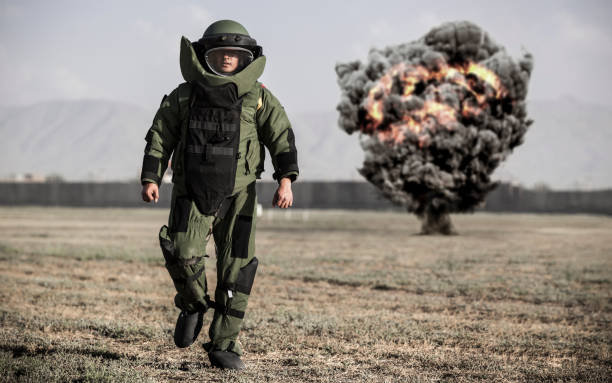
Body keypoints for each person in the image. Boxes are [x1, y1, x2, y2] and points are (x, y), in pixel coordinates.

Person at [139, 19, 298, 370]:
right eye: (219, 52)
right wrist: (151, 176)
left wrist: (285, 179)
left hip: (239, 195)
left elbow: (281, 135)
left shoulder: (258, 96)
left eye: (233, 54)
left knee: (236, 271)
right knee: (181, 253)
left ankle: (224, 344)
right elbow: (160, 136)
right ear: (204, 54)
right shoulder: (184, 94)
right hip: (189, 190)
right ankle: (193, 304)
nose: (227, 59)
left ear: (246, 58)